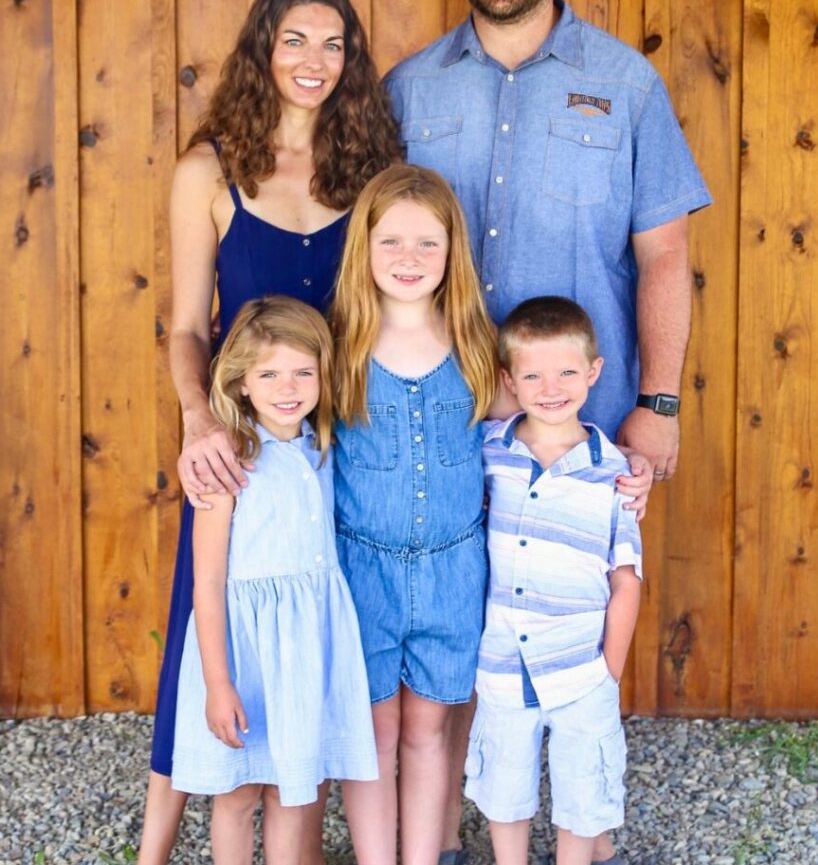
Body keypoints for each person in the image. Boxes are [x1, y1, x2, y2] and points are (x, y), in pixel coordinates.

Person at [383, 0, 710, 863]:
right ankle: (447, 829)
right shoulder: (410, 88)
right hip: (441, 422)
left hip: (579, 427)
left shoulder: (624, 83)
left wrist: (658, 402)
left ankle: (580, 829)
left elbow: (664, 255)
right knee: (457, 626)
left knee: (576, 623)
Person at [139, 0, 400, 865]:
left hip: (342, 437)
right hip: (239, 440)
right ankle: (153, 848)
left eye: (333, 44)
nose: (314, 60)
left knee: (323, 633)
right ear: (263, 48)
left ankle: (312, 828)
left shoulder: (369, 171)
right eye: (295, 40)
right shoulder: (208, 171)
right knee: (204, 623)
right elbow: (186, 327)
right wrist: (198, 423)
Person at [328, 165, 499, 865]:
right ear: (364, 249)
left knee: (429, 731)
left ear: (453, 250)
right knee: (374, 735)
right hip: (361, 572)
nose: (410, 258)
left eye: (428, 243)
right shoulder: (337, 349)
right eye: (391, 242)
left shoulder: (477, 345)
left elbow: (536, 428)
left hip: (453, 572)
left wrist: (613, 467)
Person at [171, 296, 378, 865]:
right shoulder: (228, 462)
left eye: (303, 373)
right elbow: (207, 584)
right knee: (239, 792)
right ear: (240, 382)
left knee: (293, 789)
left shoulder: (324, 448)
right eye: (268, 375)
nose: (288, 388)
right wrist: (218, 683)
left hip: (306, 649)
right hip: (244, 654)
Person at [467, 296, 642, 865]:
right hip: (504, 656)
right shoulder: (490, 451)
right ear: (508, 381)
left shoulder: (614, 472)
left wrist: (608, 672)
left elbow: (626, 580)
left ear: (594, 371)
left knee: (582, 787)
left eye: (567, 372)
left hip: (581, 664)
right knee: (504, 781)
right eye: (533, 376)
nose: (550, 388)